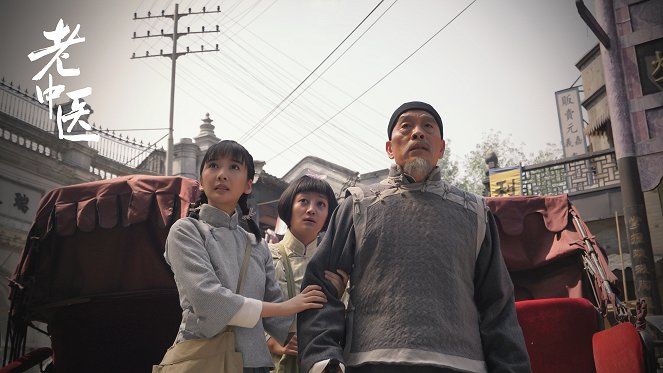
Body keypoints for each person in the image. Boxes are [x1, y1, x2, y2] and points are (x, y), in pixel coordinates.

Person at [298, 102, 531, 373]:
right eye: (406, 126)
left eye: (427, 126)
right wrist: (322, 358)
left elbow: (498, 304)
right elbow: (319, 288)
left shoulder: (476, 212)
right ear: (389, 148)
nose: (417, 133)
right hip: (372, 365)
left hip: (460, 366)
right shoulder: (358, 206)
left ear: (441, 148)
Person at [163, 140, 327, 373]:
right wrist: (287, 307)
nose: (221, 175)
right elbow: (209, 300)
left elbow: (279, 317)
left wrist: (324, 325)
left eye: (233, 168)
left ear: (248, 185)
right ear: (201, 179)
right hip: (204, 359)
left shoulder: (257, 245)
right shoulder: (186, 231)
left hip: (255, 364)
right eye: (213, 166)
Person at [267, 175, 348, 373]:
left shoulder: (334, 268)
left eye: (321, 204)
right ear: (289, 206)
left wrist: (337, 295)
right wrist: (270, 340)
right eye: (303, 201)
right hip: (272, 362)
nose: (311, 209)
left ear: (329, 215)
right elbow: (248, 300)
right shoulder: (265, 255)